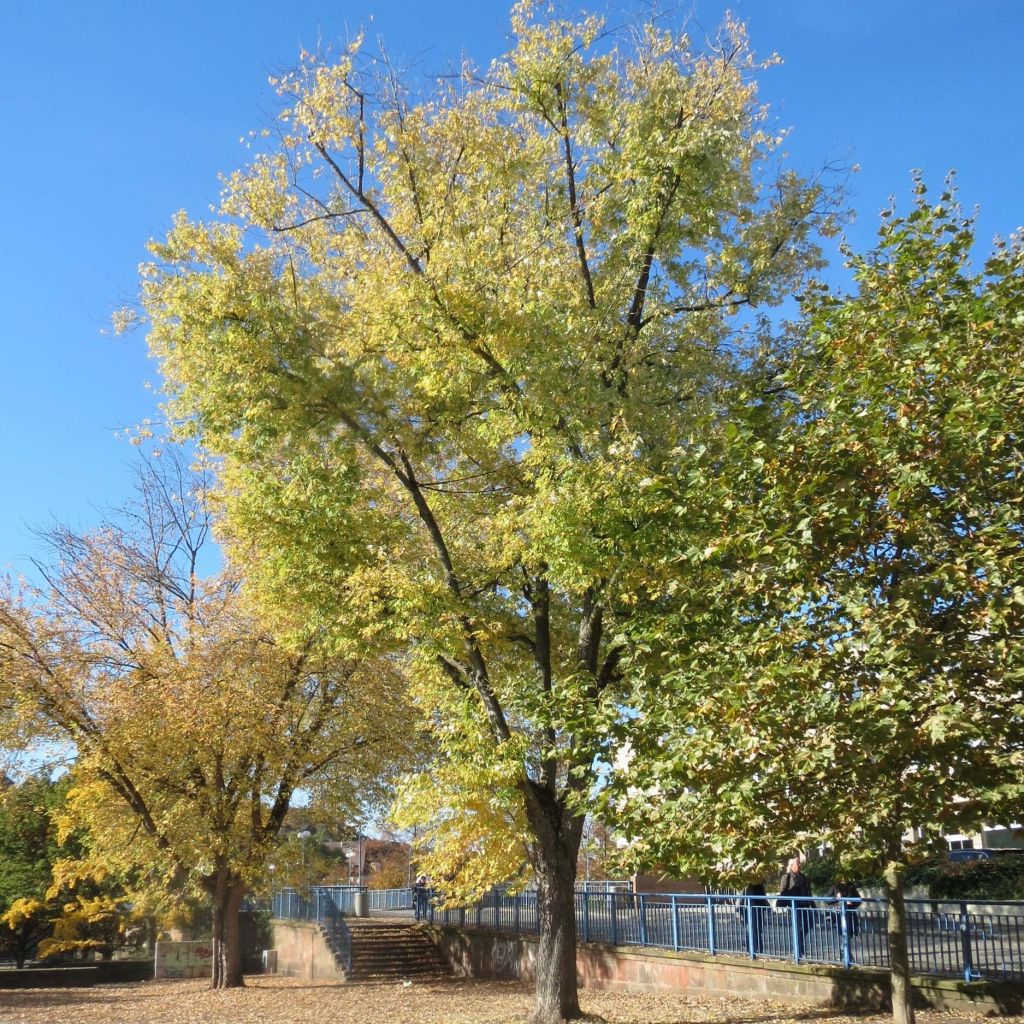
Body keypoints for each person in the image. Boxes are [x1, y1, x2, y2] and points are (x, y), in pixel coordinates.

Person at [779, 856, 815, 958]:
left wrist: (813, 906)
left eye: (799, 863)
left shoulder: (803, 876)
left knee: (809, 924)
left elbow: (809, 892)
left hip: (805, 905)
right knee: (797, 928)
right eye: (797, 863)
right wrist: (789, 903)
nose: (800, 865)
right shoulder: (787, 877)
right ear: (791, 866)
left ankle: (799, 943)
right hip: (795, 906)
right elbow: (783, 892)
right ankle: (798, 950)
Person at [742, 881, 770, 955]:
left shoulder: (760, 884)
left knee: (757, 930)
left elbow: (763, 897)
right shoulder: (749, 883)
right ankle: (751, 949)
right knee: (752, 930)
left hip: (757, 909)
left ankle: (757, 949)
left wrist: (767, 906)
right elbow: (742, 898)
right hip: (750, 909)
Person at [831, 879, 862, 948]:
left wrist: (851, 902)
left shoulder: (851, 887)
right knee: (844, 931)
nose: (843, 879)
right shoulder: (835, 887)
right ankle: (844, 951)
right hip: (840, 913)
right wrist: (836, 899)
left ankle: (845, 951)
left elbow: (859, 900)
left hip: (850, 911)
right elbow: (827, 899)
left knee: (850, 932)